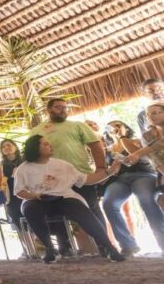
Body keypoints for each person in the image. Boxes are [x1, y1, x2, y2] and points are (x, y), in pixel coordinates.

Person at [14, 135, 125, 263]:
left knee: (79, 207)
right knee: (30, 208)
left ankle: (109, 247)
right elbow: (19, 192)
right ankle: (50, 249)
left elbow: (87, 180)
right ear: (34, 148)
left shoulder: (62, 164)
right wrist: (35, 196)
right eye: (45, 144)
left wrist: (110, 171)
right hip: (37, 200)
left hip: (63, 198)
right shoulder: (23, 168)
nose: (50, 146)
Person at [29, 99, 108, 254]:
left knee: (91, 209)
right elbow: (33, 155)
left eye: (65, 108)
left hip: (81, 175)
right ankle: (65, 248)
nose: (63, 110)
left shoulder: (78, 125)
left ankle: (104, 245)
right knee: (57, 211)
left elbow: (95, 144)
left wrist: (101, 168)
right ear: (49, 110)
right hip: (53, 180)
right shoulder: (37, 130)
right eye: (58, 107)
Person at [99, 121, 163, 256]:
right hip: (120, 179)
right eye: (111, 126)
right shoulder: (108, 149)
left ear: (125, 127)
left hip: (142, 174)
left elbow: (140, 156)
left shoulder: (137, 141)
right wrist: (113, 169)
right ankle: (128, 245)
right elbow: (107, 170)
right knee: (108, 203)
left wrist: (122, 138)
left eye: (118, 125)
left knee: (146, 200)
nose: (115, 128)